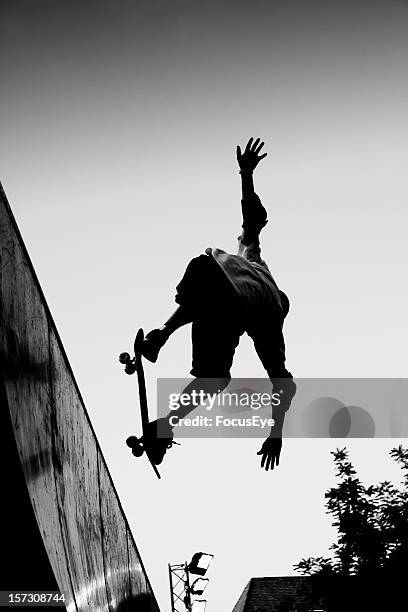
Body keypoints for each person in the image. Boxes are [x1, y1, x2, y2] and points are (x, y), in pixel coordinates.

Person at [141, 138, 296, 471]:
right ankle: (165, 426)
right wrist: (276, 433)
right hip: (229, 305)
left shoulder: (255, 262)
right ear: (282, 307)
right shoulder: (271, 322)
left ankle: (162, 334)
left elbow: (253, 219)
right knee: (216, 379)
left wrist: (246, 174)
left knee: (206, 303)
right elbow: (283, 384)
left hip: (203, 268)